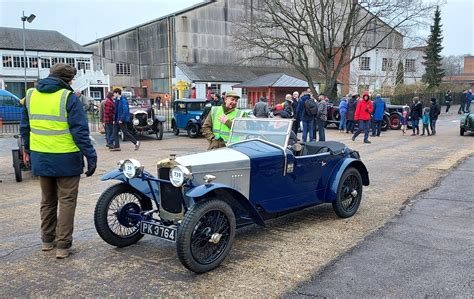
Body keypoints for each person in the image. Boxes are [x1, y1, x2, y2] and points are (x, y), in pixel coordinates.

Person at [19, 63, 97, 259]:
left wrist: (27, 150)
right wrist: (90, 156)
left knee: (47, 200)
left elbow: (24, 128)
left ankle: (47, 241)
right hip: (66, 158)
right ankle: (62, 246)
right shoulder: (68, 97)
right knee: (67, 201)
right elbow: (80, 131)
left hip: (41, 157)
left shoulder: (31, 95)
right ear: (68, 80)